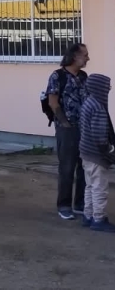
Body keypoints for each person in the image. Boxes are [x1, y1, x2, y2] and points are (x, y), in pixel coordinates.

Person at [46, 43, 89, 220]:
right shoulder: (58, 76)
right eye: (84, 55)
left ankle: (80, 203)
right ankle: (64, 205)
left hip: (85, 127)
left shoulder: (84, 76)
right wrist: (65, 124)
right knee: (67, 167)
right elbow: (53, 102)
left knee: (84, 167)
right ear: (74, 57)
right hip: (67, 129)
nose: (87, 58)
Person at [78, 73, 115, 232]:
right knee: (100, 187)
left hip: (86, 153)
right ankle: (98, 219)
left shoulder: (87, 103)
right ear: (100, 87)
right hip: (96, 155)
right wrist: (110, 151)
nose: (110, 88)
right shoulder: (99, 108)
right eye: (107, 86)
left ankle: (88, 215)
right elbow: (100, 138)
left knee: (90, 186)